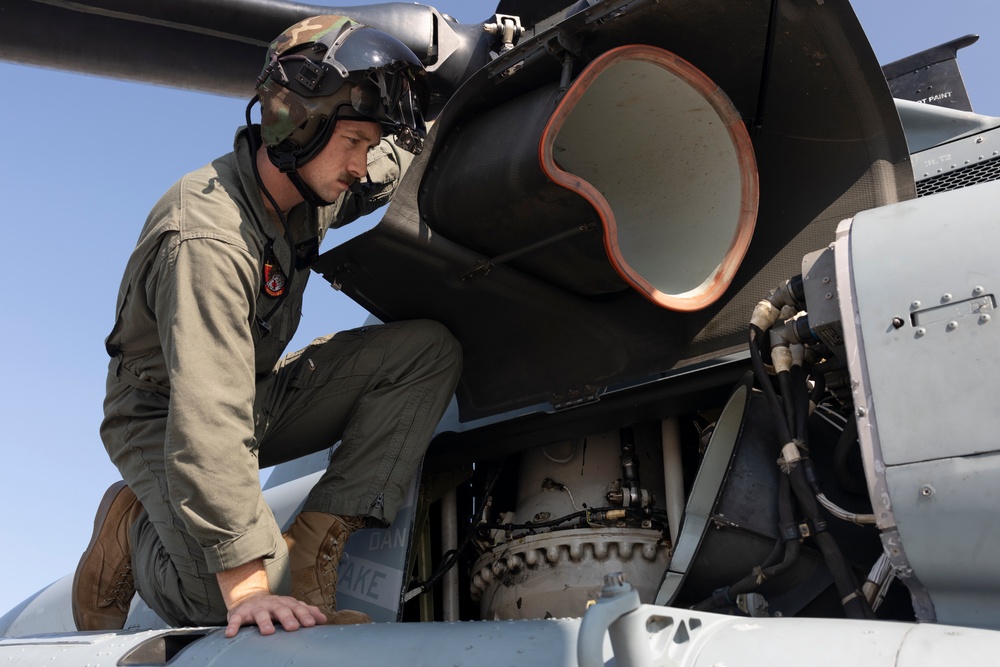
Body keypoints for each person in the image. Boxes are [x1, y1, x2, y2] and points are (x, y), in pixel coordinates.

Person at [70, 15, 462, 638]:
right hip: (164, 412)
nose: (362, 164)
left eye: (365, 144)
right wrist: (249, 587)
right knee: (220, 604)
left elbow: (396, 158)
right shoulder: (207, 240)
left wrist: (474, 92)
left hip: (251, 387)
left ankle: (310, 555)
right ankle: (131, 524)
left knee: (425, 354)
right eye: (353, 142)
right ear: (299, 125)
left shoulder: (311, 181)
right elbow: (208, 418)